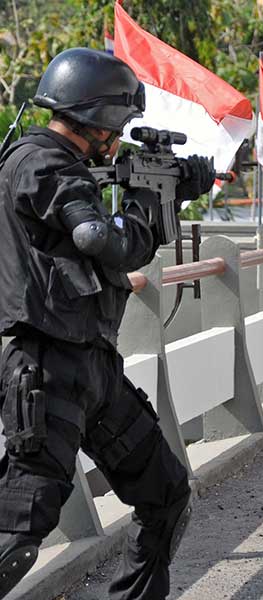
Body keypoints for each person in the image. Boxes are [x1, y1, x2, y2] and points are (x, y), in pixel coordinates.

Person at [0, 48, 214, 599]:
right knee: (18, 532)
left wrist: (172, 189)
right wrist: (146, 208)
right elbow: (101, 240)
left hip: (91, 364)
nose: (119, 139)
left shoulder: (65, 164)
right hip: (46, 365)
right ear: (98, 119)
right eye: (117, 126)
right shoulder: (39, 163)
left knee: (165, 494)